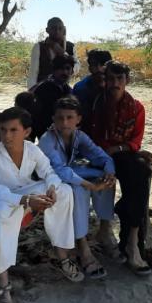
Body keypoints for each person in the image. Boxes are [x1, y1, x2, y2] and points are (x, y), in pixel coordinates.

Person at [0, 107, 82, 303]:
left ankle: (62, 257)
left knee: (64, 191)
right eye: (3, 130)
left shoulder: (32, 150)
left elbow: (49, 172)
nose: (7, 135)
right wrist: (24, 200)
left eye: (13, 130)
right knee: (0, 216)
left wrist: (51, 187)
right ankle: (3, 285)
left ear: (26, 132)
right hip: (4, 198)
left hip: (27, 191)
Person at [87, 61, 152, 275]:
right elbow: (92, 140)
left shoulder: (136, 107)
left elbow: (135, 141)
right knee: (138, 172)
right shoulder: (96, 105)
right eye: (111, 79)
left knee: (141, 170)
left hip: (122, 153)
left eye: (119, 79)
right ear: (105, 81)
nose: (115, 83)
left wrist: (120, 148)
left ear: (127, 81)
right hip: (100, 156)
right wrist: (110, 151)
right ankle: (136, 246)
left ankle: (132, 242)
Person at [38, 96, 115, 279]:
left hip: (69, 174)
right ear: (53, 119)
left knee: (104, 179)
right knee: (79, 190)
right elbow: (60, 170)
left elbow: (102, 157)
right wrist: (90, 185)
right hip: (49, 181)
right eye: (60, 118)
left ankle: (104, 229)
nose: (65, 122)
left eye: (70, 117)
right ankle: (82, 245)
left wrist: (109, 173)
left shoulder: (79, 136)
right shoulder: (47, 140)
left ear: (78, 119)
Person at [31, 53, 74, 139]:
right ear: (54, 70)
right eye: (61, 69)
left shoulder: (67, 89)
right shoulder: (43, 88)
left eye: (68, 68)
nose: (65, 72)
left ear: (72, 71)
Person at [27, 17, 79, 88]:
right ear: (47, 30)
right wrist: (31, 92)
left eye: (60, 28)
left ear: (64, 30)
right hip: (43, 90)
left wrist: (63, 53)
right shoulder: (39, 47)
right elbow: (33, 75)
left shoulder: (70, 46)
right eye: (54, 28)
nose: (57, 31)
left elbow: (76, 67)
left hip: (63, 90)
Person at [72, 48, 111, 114]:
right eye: (94, 64)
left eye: (102, 64)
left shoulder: (115, 86)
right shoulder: (80, 88)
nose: (99, 68)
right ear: (89, 67)